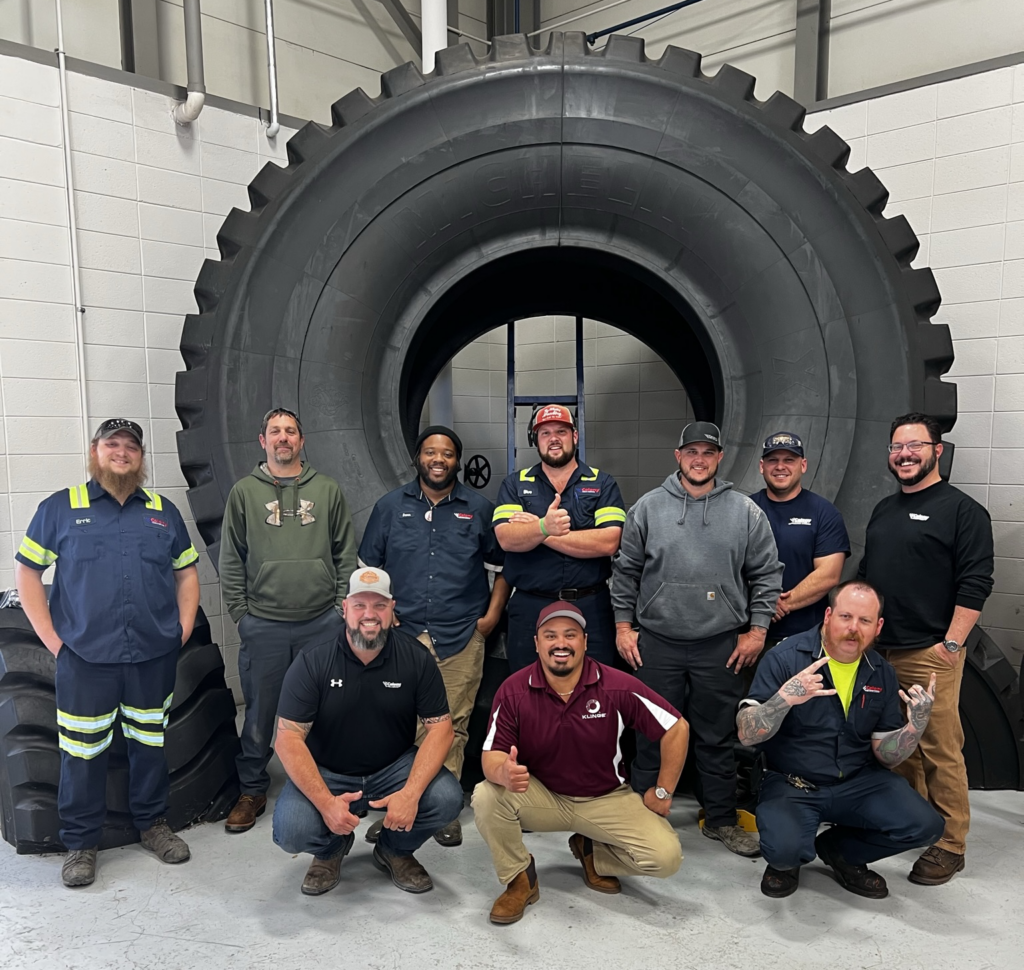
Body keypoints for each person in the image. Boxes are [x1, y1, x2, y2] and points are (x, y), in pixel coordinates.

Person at [15, 418, 201, 888]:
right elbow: (27, 572)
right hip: (85, 662)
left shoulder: (162, 511)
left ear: (141, 457)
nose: (122, 452)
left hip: (152, 658)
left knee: (149, 745)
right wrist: (52, 639)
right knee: (82, 754)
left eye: (131, 446)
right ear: (95, 451)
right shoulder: (61, 508)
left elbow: (185, 572)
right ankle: (81, 843)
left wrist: (182, 628)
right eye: (112, 444)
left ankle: (153, 825)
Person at [611, 421, 782, 857]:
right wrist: (624, 627)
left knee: (716, 737)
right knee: (651, 733)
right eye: (692, 451)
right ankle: (644, 818)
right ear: (678, 456)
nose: (699, 459)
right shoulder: (648, 508)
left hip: (720, 645)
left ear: (720, 457)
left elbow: (766, 574)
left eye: (708, 452)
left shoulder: (745, 512)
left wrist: (757, 630)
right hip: (657, 643)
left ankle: (720, 819)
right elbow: (626, 571)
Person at [472, 601, 688, 924]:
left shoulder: (615, 685)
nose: (560, 643)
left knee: (666, 858)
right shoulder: (513, 690)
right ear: (536, 643)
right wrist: (503, 771)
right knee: (486, 795)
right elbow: (492, 754)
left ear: (585, 641)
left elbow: (676, 727)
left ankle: (594, 855)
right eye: (550, 635)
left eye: (570, 634)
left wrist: (663, 791)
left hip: (606, 797)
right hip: (543, 796)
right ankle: (520, 879)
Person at [738, 581, 945, 899]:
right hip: (793, 783)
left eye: (865, 621)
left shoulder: (882, 672)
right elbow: (746, 733)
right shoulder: (785, 658)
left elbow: (886, 756)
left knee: (926, 826)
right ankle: (787, 861)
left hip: (858, 782)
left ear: (878, 627)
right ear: (828, 616)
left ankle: (841, 852)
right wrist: (784, 699)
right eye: (846, 617)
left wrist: (915, 726)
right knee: (784, 851)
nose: (853, 628)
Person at [857, 412, 994, 886]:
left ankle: (950, 844)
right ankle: (915, 823)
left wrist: (950, 645)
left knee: (939, 748)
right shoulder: (884, 509)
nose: (905, 454)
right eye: (897, 447)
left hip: (928, 654)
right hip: (882, 654)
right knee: (898, 747)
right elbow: (869, 574)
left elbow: (976, 582)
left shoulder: (963, 511)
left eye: (915, 445)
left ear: (937, 450)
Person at [359, 425, 510, 847]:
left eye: (446, 453)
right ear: (418, 458)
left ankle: (441, 809)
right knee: (398, 723)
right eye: (430, 452)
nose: (438, 459)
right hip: (402, 637)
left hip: (460, 636)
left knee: (452, 724)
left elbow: (504, 569)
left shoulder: (479, 509)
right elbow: (368, 570)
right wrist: (382, 612)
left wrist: (491, 617)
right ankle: (398, 804)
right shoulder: (390, 507)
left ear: (457, 461)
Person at [271, 568, 464, 896]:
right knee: (291, 830)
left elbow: (441, 729)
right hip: (328, 771)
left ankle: (394, 849)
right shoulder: (313, 660)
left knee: (447, 798)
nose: (369, 614)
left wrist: (410, 794)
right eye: (360, 605)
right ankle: (331, 849)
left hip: (393, 767)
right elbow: (287, 737)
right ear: (345, 608)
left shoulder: (416, 658)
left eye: (379, 605)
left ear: (393, 610)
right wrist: (326, 803)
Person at [219, 407, 357, 834]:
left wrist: (339, 607)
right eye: (275, 431)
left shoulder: (328, 490)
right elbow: (231, 558)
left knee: (327, 709)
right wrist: (242, 615)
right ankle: (252, 789)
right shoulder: (244, 493)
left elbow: (345, 553)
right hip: (264, 625)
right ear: (263, 441)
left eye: (291, 431)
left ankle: (326, 786)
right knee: (260, 713)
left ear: (301, 440)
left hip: (322, 624)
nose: (283, 437)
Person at [493, 404, 626, 671]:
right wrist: (545, 526)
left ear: (574, 436)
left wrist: (540, 531)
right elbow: (506, 538)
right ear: (536, 440)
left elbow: (609, 542)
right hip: (530, 607)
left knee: (596, 684)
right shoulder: (514, 484)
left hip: (590, 607)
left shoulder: (602, 483)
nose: (553, 438)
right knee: (527, 685)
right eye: (545, 433)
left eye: (561, 431)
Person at [749, 432, 850, 644]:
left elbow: (829, 574)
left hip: (806, 638)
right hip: (750, 636)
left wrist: (779, 604)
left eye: (789, 460)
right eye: (773, 460)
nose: (780, 466)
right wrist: (762, 606)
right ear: (761, 466)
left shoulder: (824, 513)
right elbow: (728, 567)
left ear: (803, 465)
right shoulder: (744, 510)